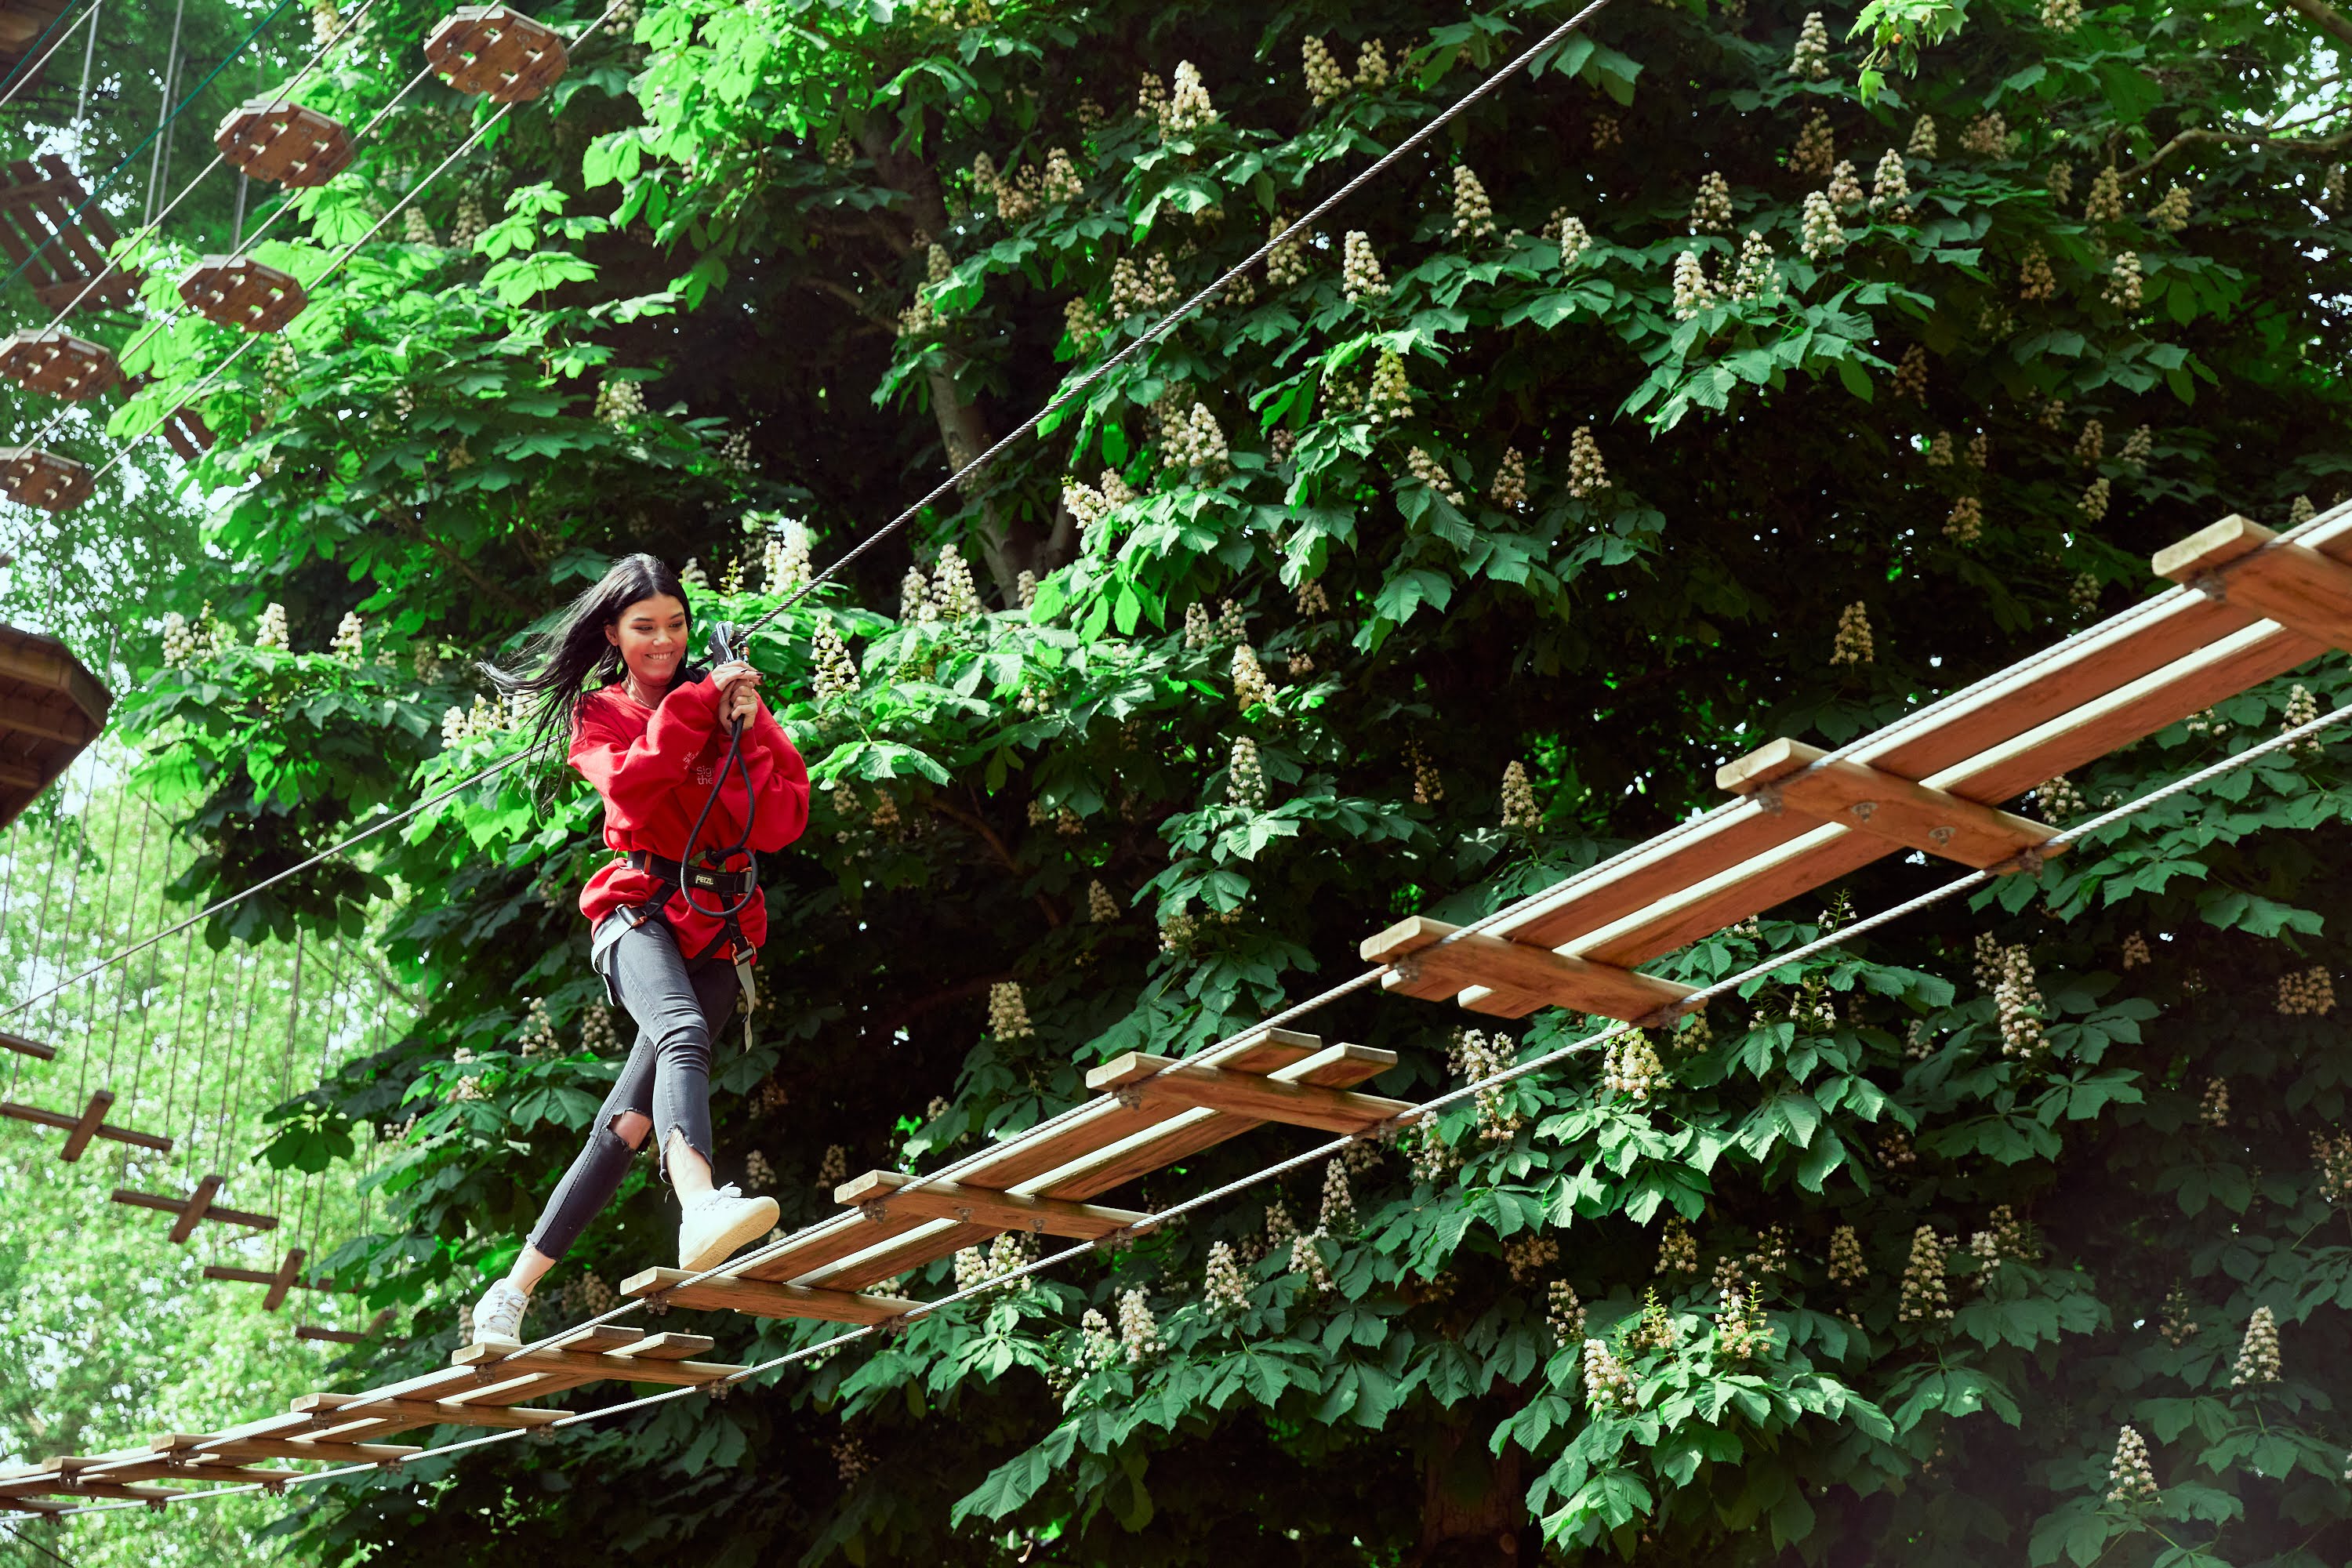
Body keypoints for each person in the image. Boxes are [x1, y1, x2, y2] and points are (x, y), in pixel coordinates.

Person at [464, 554, 810, 1348]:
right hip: (639, 913)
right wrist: (697, 712)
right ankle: (700, 1205)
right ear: (615, 635)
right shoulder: (603, 713)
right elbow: (629, 788)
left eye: (676, 625)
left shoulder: (729, 702)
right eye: (644, 627)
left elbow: (781, 815)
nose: (664, 641)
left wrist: (746, 727)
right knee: (682, 1030)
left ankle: (511, 1291)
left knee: (624, 1126)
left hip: (721, 921)